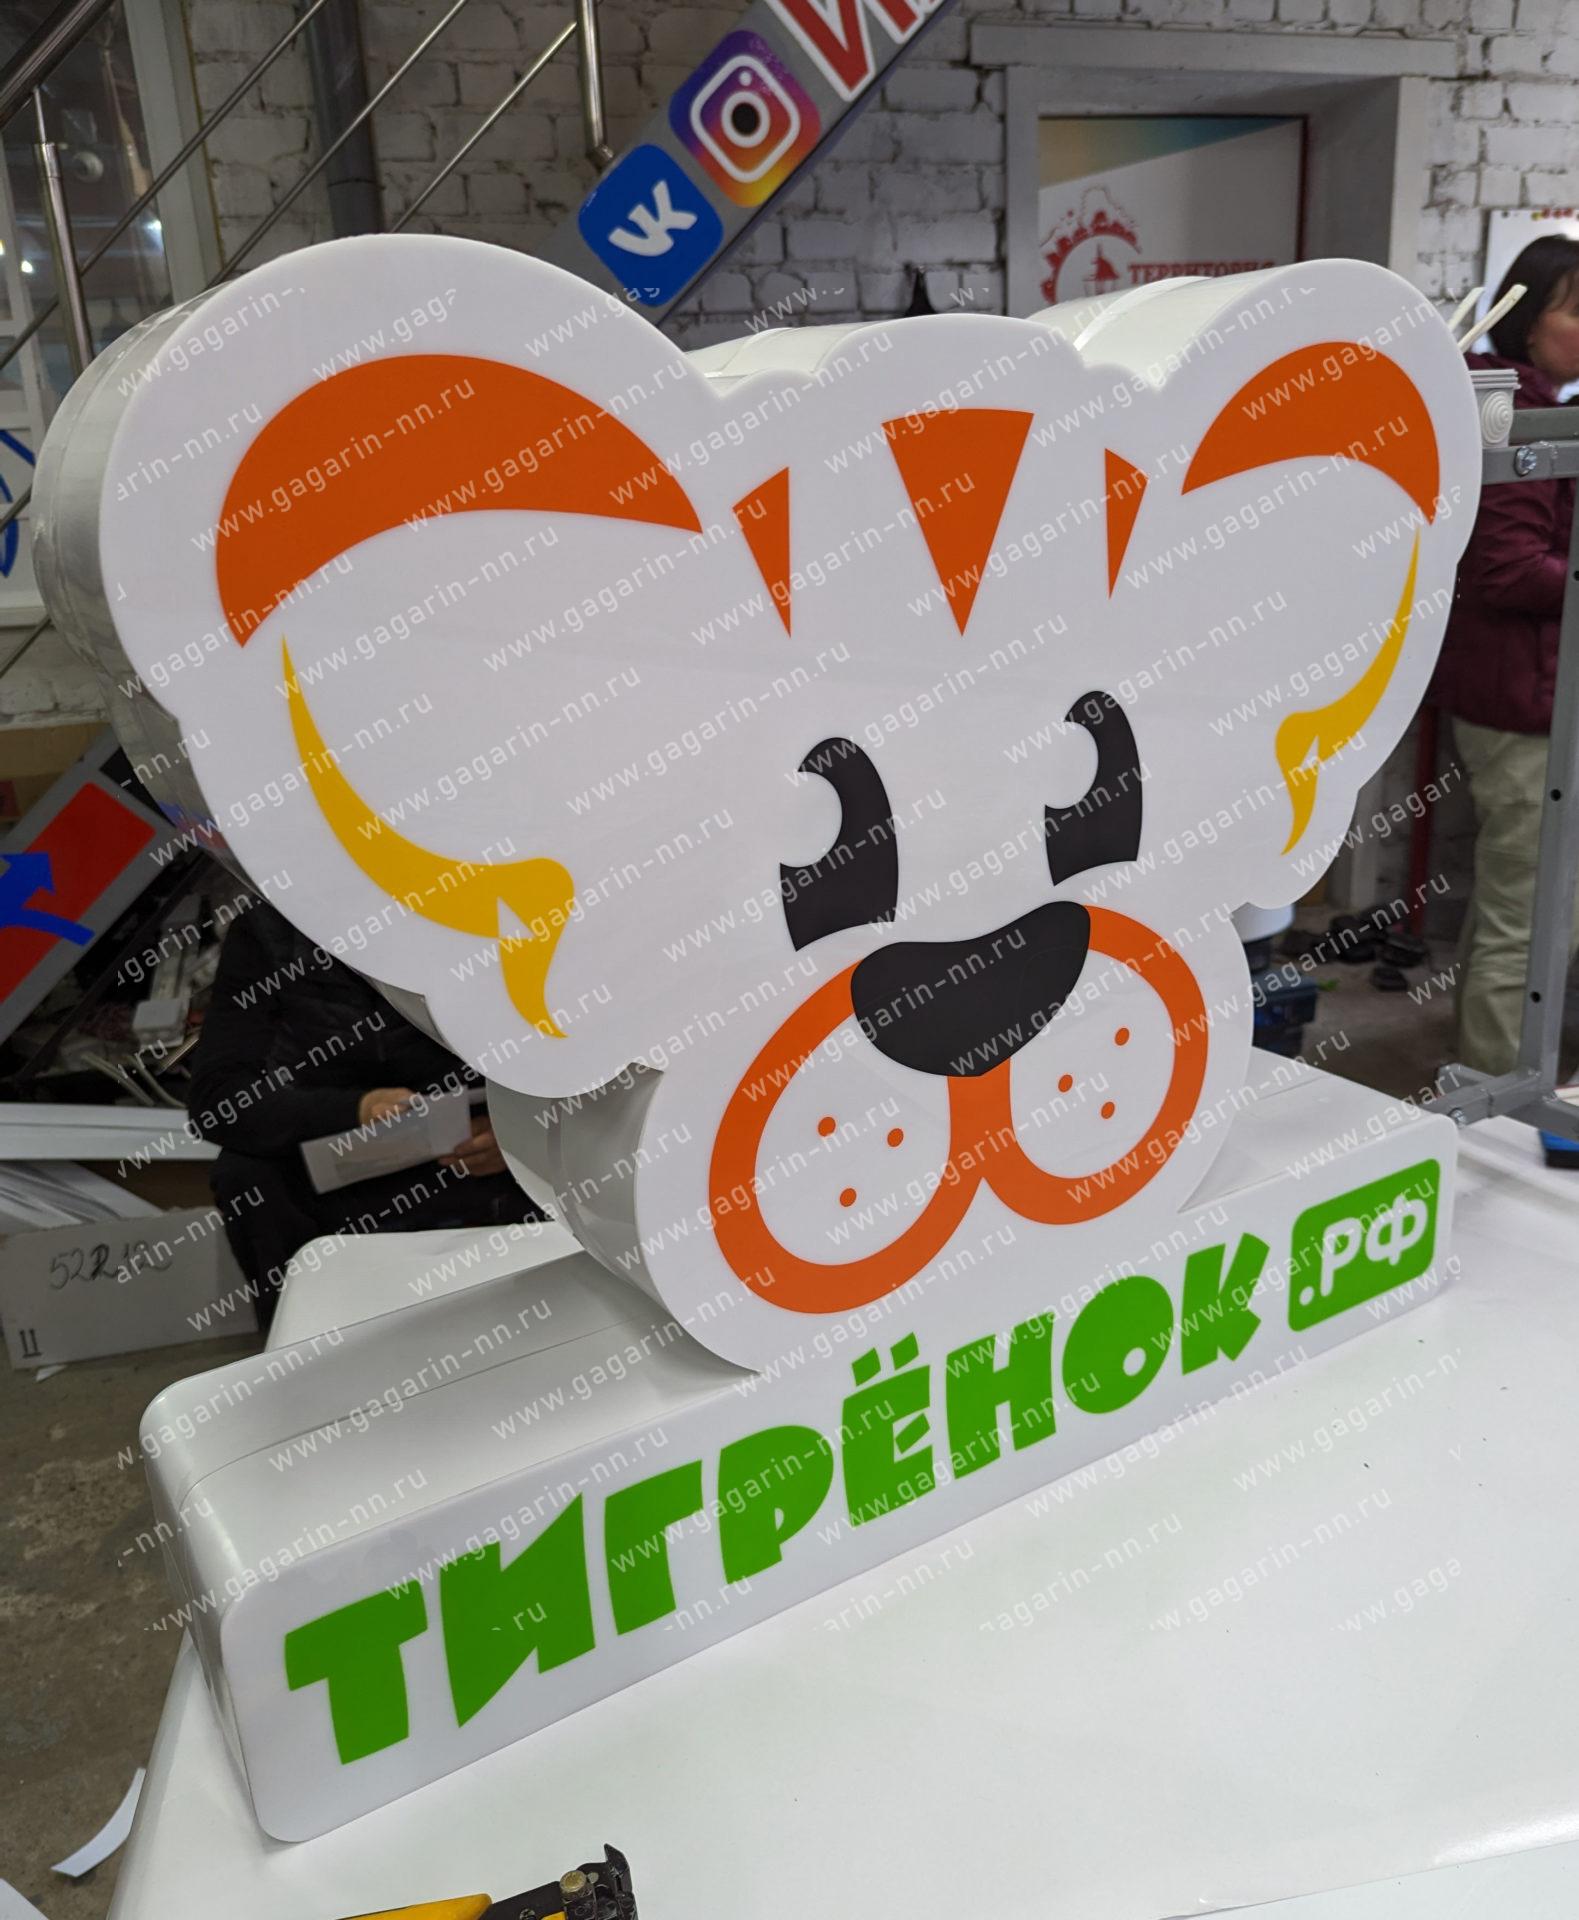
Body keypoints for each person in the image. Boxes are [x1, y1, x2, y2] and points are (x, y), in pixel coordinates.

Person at [188, 894, 541, 1326]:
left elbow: (578, 1063)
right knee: (244, 1173)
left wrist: (518, 1134)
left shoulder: (490, 913)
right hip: (334, 1158)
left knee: (555, 1152)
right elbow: (217, 1100)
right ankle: (302, 1342)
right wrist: (357, 1110)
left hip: (474, 1154)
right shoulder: (271, 929)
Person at [1431, 235, 1579, 1076]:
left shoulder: (1529, 402)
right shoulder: (1514, 413)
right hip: (1521, 708)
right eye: (1575, 312)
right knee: (1527, 919)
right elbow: (1510, 568)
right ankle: (1498, 1099)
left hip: (1522, 698)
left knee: (1516, 909)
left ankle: (1485, 1075)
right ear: (1525, 321)